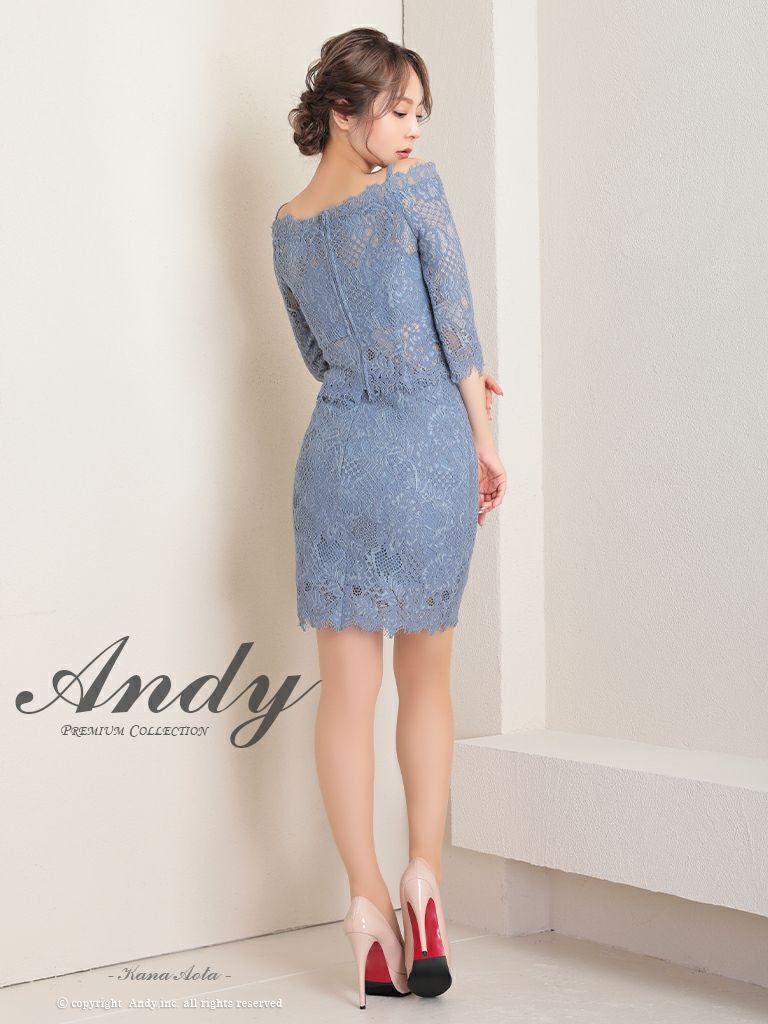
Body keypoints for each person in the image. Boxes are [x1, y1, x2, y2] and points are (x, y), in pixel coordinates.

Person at [271, 27, 506, 1007]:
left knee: (345, 697)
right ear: (344, 111)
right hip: (425, 450)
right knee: (429, 685)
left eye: (419, 113)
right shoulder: (414, 193)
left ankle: (366, 904)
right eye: (397, 110)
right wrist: (483, 437)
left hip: (336, 460)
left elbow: (317, 357)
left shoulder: (287, 226)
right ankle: (423, 880)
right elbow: (459, 328)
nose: (412, 130)